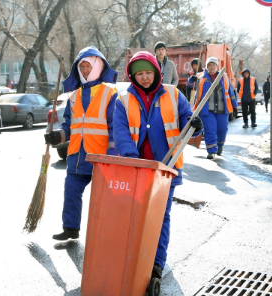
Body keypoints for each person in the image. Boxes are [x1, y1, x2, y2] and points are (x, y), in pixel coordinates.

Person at [113, 51, 203, 279]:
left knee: (160, 215)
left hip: (166, 168)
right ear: (132, 76)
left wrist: (195, 124)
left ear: (156, 72)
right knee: (135, 214)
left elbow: (187, 120)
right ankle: (134, 256)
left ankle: (156, 263)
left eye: (148, 73)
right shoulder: (123, 100)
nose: (145, 77)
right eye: (139, 74)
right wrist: (133, 162)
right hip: (137, 169)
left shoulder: (173, 94)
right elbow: (122, 134)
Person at [44, 46, 119, 241]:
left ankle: (105, 234)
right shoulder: (74, 96)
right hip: (77, 155)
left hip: (101, 156)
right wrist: (56, 137)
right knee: (71, 190)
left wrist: (113, 154)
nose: (85, 70)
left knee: (103, 199)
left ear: (98, 66)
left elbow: (114, 126)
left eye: (88, 66)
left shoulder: (110, 93)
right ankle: (70, 228)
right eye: (82, 67)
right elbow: (69, 127)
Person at [194, 57, 238, 159]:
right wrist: (195, 110)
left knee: (222, 129)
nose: (211, 66)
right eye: (209, 65)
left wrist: (235, 105)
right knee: (210, 130)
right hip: (207, 110)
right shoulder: (202, 78)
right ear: (207, 67)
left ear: (217, 66)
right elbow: (197, 95)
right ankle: (211, 151)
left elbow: (230, 92)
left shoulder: (224, 77)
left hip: (222, 109)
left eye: (213, 64)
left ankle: (220, 146)